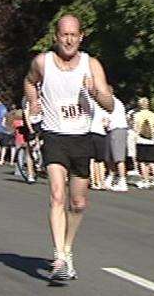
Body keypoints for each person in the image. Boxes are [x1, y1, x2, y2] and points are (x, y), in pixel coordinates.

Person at [23, 14, 114, 282]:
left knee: (78, 203)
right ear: (56, 37)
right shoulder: (42, 63)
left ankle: (67, 248)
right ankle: (59, 257)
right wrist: (34, 102)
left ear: (81, 37)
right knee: (56, 195)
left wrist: (95, 93)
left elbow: (109, 104)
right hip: (54, 136)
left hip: (81, 138)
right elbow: (29, 82)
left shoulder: (91, 65)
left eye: (74, 34)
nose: (69, 39)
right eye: (64, 34)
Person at [134, 97, 154, 189]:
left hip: (141, 140)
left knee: (142, 161)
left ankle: (145, 180)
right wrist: (151, 131)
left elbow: (136, 129)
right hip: (151, 140)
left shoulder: (137, 115)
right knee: (150, 161)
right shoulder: (153, 115)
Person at [104, 93, 129, 192]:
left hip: (118, 129)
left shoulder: (112, 103)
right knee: (110, 157)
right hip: (112, 130)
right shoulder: (111, 102)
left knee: (118, 157)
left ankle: (122, 181)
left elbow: (106, 119)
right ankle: (110, 178)